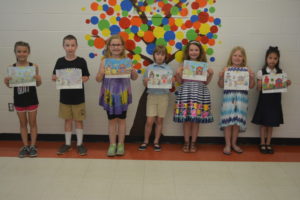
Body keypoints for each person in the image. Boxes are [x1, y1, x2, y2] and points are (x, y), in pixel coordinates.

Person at [96, 34, 138, 157]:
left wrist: (133, 71)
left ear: (123, 46)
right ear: (109, 46)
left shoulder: (127, 61)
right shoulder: (104, 61)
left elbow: (134, 78)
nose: (116, 47)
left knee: (122, 120)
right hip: (109, 95)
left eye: (118, 44)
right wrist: (101, 73)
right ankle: (112, 144)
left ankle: (121, 144)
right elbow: (98, 79)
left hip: (122, 95)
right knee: (111, 121)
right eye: (113, 45)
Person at [52, 35, 90, 156]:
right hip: (65, 98)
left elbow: (86, 77)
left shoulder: (81, 61)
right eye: (67, 45)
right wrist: (56, 78)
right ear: (63, 46)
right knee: (67, 120)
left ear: (76, 46)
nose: (70, 48)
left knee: (79, 121)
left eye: (72, 45)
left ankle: (79, 144)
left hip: (78, 97)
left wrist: (80, 79)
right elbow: (54, 76)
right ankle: (67, 144)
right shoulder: (60, 61)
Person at [174, 40, 214, 153]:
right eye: (191, 50)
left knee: (196, 121)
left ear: (200, 52)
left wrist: (211, 74)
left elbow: (206, 82)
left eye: (196, 50)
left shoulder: (203, 65)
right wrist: (178, 74)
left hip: (199, 94)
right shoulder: (183, 65)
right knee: (186, 120)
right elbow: (180, 81)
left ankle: (193, 142)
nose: (194, 52)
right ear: (188, 51)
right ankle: (186, 142)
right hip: (186, 93)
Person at [4, 41, 42, 158]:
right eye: (19, 51)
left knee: (33, 123)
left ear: (28, 52)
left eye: (24, 51)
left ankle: (32, 146)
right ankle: (25, 146)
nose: (22, 54)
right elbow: (11, 85)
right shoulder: (11, 68)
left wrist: (39, 79)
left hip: (31, 99)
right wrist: (6, 82)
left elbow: (38, 84)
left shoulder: (33, 66)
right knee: (23, 124)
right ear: (15, 52)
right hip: (19, 100)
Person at [252, 46, 292, 154]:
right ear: (266, 58)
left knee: (271, 124)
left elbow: (283, 87)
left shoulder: (281, 72)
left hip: (275, 101)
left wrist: (287, 83)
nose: (272, 60)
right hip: (264, 101)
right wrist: (259, 84)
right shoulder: (261, 72)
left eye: (275, 58)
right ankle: (262, 143)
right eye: (270, 58)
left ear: (278, 59)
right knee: (263, 123)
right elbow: (257, 89)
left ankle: (268, 142)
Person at [218, 46, 255, 155]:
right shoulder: (226, 69)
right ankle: (228, 144)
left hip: (241, 100)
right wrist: (221, 76)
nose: (237, 58)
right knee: (228, 122)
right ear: (231, 57)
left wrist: (252, 77)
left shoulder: (247, 70)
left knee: (237, 123)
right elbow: (220, 85)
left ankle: (234, 143)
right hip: (228, 99)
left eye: (240, 56)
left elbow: (251, 86)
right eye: (235, 55)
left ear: (243, 58)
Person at [138, 45, 174, 151]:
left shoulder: (168, 69)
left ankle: (156, 141)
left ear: (165, 56)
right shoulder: (150, 68)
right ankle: (145, 141)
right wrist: (145, 82)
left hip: (163, 97)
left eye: (162, 55)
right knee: (149, 120)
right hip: (152, 96)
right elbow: (145, 83)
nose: (160, 57)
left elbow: (171, 86)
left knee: (159, 120)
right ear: (154, 55)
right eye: (158, 54)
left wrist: (172, 82)